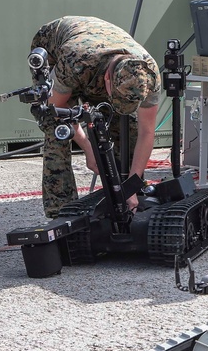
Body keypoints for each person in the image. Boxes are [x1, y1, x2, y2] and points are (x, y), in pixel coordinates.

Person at [31, 16, 161, 218]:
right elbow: (56, 107)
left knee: (130, 128)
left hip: (97, 53)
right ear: (108, 79)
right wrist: (88, 147)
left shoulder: (148, 74)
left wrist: (132, 186)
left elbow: (147, 131)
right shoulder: (75, 61)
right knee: (57, 130)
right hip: (56, 46)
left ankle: (128, 198)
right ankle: (62, 213)